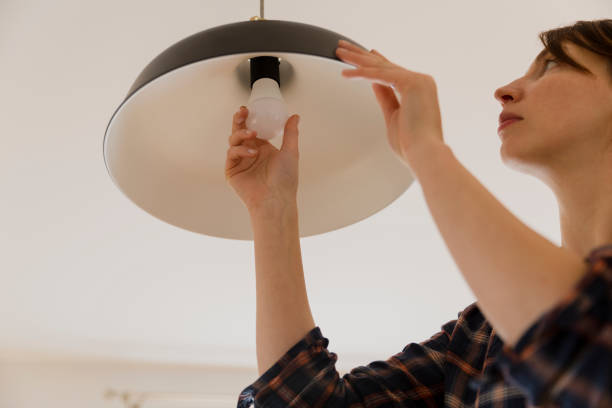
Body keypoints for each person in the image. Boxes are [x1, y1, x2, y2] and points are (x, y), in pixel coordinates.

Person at [225, 19, 612, 408]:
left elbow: (582, 350)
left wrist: (426, 149)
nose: (504, 91)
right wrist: (272, 207)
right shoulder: (481, 337)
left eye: (551, 65)